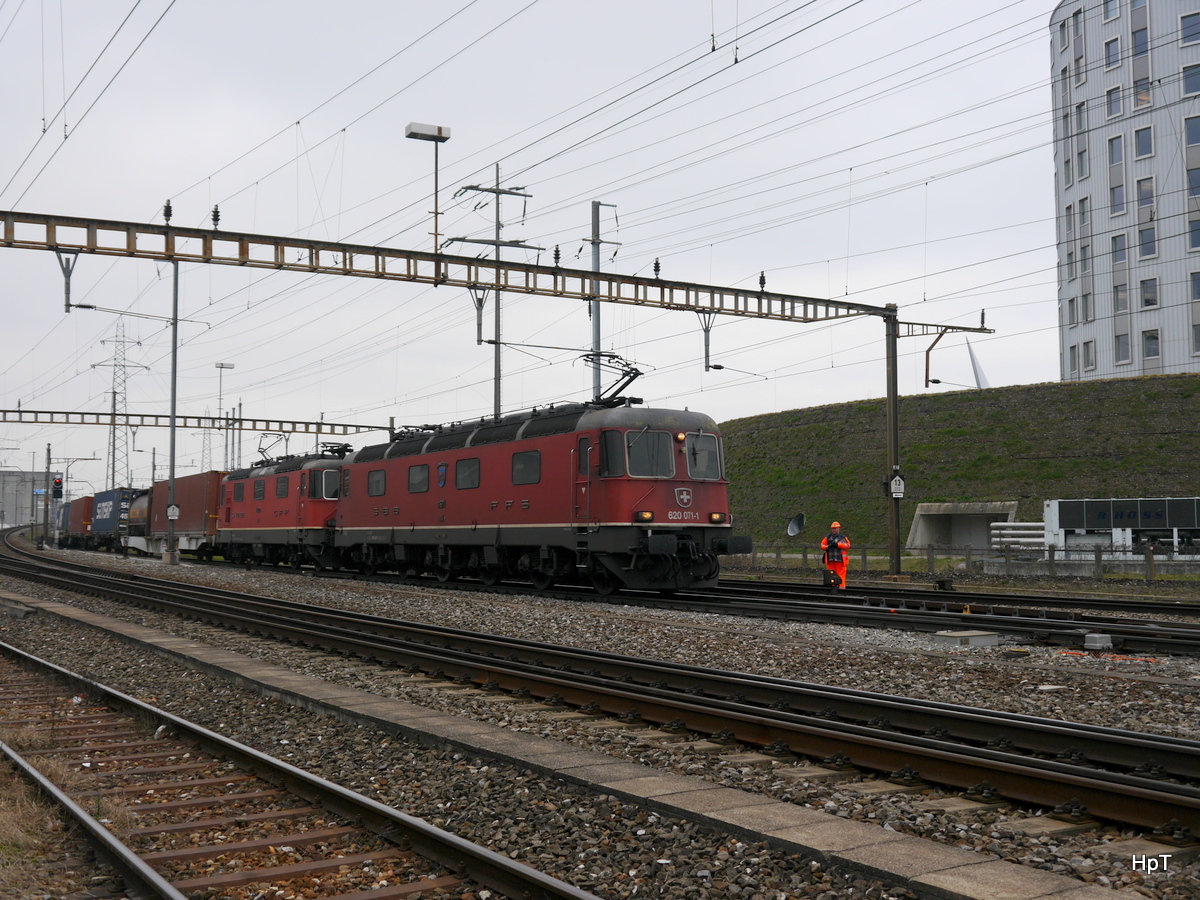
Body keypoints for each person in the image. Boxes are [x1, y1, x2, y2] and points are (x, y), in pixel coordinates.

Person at [821, 521, 851, 589]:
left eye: (835, 528)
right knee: (831, 575)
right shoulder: (828, 537)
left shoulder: (842, 537)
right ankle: (833, 588)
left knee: (841, 575)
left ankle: (841, 588)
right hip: (831, 560)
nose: (834, 530)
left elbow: (848, 545)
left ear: (838, 529)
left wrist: (838, 545)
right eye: (833, 528)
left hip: (840, 560)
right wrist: (827, 547)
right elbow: (822, 545)